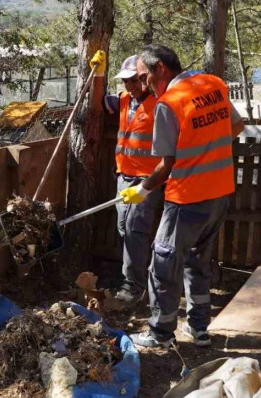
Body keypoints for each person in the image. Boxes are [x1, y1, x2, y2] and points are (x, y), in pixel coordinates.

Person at [120, 44, 245, 348]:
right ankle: (200, 330)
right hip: (219, 194)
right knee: (197, 261)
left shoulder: (169, 104)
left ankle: (160, 333)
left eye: (144, 75)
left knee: (161, 266)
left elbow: (165, 166)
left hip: (187, 198)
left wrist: (141, 190)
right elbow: (237, 126)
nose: (144, 83)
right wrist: (205, 150)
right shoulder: (212, 84)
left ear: (160, 68)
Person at [89, 51, 164, 306]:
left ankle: (133, 287)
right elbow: (96, 102)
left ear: (145, 78)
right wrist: (98, 73)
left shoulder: (159, 103)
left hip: (148, 180)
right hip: (124, 176)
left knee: (135, 230)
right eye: (125, 82)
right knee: (124, 227)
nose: (129, 86)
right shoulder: (122, 100)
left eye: (134, 81)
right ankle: (139, 277)